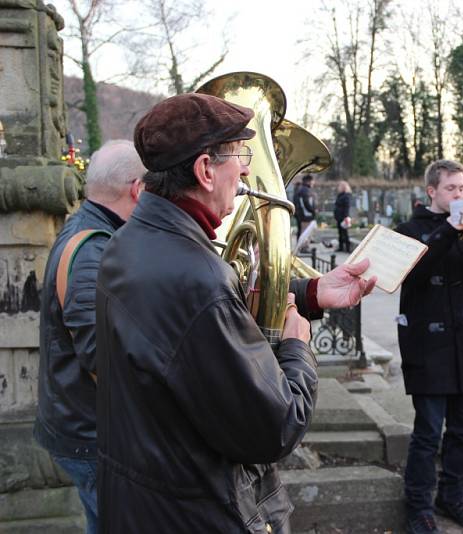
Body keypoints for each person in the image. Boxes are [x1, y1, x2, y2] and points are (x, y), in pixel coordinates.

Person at [94, 93, 375, 533]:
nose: (247, 170)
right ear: (205, 170)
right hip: (192, 512)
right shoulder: (197, 278)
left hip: (143, 499)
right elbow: (277, 426)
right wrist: (298, 346)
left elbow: (207, 326)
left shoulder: (130, 243)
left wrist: (313, 293)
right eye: (240, 156)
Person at [34, 140, 146, 534]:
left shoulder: (90, 232)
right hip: (93, 438)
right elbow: (104, 360)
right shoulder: (92, 251)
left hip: (84, 430)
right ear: (138, 189)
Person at [395, 160, 463, 534]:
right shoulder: (408, 230)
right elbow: (415, 273)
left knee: (461, 431)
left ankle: (452, 497)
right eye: (452, 189)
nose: (460, 194)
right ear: (432, 192)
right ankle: (419, 506)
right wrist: (447, 232)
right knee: (428, 432)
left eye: (462, 188)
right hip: (429, 348)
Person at [293, 174, 317, 251]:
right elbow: (306, 203)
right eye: (312, 181)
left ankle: (302, 247)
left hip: (304, 215)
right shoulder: (305, 190)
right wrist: (313, 210)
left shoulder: (303, 189)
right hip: (306, 215)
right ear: (309, 181)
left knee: (303, 231)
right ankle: (304, 247)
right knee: (305, 232)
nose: (313, 183)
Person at [334, 180, 353, 252]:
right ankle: (341, 247)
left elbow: (346, 207)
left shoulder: (346, 196)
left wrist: (346, 216)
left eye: (340, 186)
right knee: (340, 233)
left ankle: (348, 248)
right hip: (339, 216)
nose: (338, 188)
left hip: (343, 217)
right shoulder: (340, 195)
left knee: (345, 233)